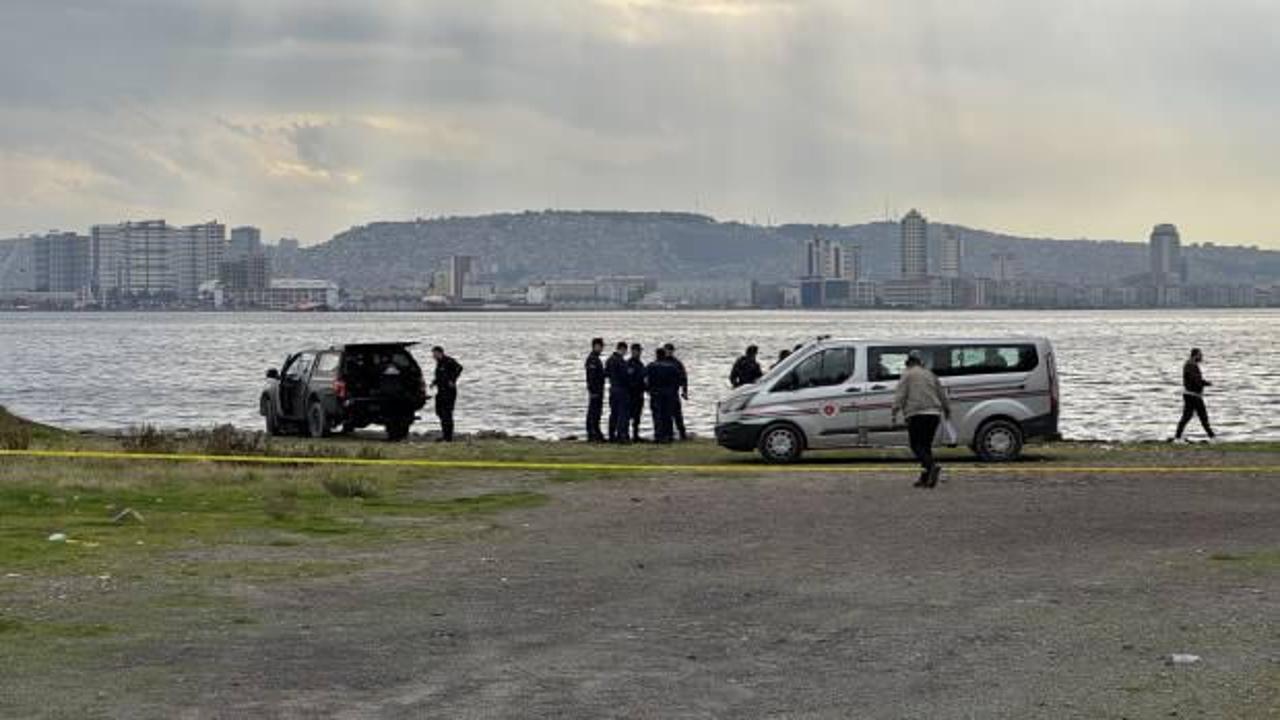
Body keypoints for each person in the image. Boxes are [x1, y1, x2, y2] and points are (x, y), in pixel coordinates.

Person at [892, 351, 951, 488]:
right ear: (920, 362)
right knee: (925, 447)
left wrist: (894, 411)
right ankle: (925, 478)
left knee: (916, 445)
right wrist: (947, 409)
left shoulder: (907, 374)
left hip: (917, 414)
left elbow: (900, 394)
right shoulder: (930, 374)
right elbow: (941, 393)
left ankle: (932, 467)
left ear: (909, 362)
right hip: (933, 414)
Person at [1173, 347, 1216, 442]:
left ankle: (1177, 437)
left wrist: (1204, 383)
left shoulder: (1191, 364)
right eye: (1200, 355)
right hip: (1192, 395)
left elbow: (1195, 379)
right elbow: (1195, 380)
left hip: (1192, 395)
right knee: (1202, 417)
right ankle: (1213, 437)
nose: (1202, 357)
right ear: (1195, 355)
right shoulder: (1190, 365)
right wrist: (1205, 383)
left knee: (1187, 417)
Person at [646, 347, 680, 443]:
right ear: (664, 355)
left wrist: (648, 390)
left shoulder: (651, 366)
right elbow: (677, 380)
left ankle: (658, 435)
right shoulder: (672, 366)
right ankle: (669, 435)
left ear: (656, 355)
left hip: (656, 394)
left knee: (657, 415)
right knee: (668, 415)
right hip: (668, 394)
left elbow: (646, 379)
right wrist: (673, 391)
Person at [430, 346, 464, 442]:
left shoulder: (448, 361)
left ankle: (448, 437)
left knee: (447, 413)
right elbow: (440, 376)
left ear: (439, 353)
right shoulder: (439, 363)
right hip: (440, 391)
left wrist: (452, 380)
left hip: (449, 391)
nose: (433, 356)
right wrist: (434, 382)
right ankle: (445, 434)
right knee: (439, 412)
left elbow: (459, 368)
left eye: (434, 353)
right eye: (433, 354)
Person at [605, 341, 631, 443]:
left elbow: (606, 373)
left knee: (614, 413)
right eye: (625, 350)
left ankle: (611, 435)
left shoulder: (609, 360)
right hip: (622, 390)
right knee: (622, 414)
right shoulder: (620, 361)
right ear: (623, 349)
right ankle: (621, 435)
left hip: (613, 389)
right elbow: (625, 376)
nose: (625, 352)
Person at [663, 342, 689, 440]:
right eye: (667, 350)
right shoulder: (660, 362)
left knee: (677, 414)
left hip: (673, 391)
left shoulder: (677, 363)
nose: (669, 352)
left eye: (670, 350)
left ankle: (682, 434)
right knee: (665, 415)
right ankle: (668, 434)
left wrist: (685, 391)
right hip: (663, 392)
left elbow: (684, 378)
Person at [584, 338, 605, 442]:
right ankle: (592, 433)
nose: (602, 349)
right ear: (595, 346)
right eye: (600, 346)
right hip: (595, 391)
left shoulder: (596, 359)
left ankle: (596, 432)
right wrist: (592, 391)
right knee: (593, 412)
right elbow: (591, 377)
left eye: (602, 346)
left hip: (599, 390)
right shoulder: (592, 359)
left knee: (597, 412)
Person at [627, 343, 646, 441]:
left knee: (637, 416)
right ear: (633, 351)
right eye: (638, 351)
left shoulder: (640, 363)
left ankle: (635, 435)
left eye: (640, 351)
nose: (639, 353)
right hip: (631, 394)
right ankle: (624, 435)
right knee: (629, 415)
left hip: (640, 394)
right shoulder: (629, 363)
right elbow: (629, 380)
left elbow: (643, 378)